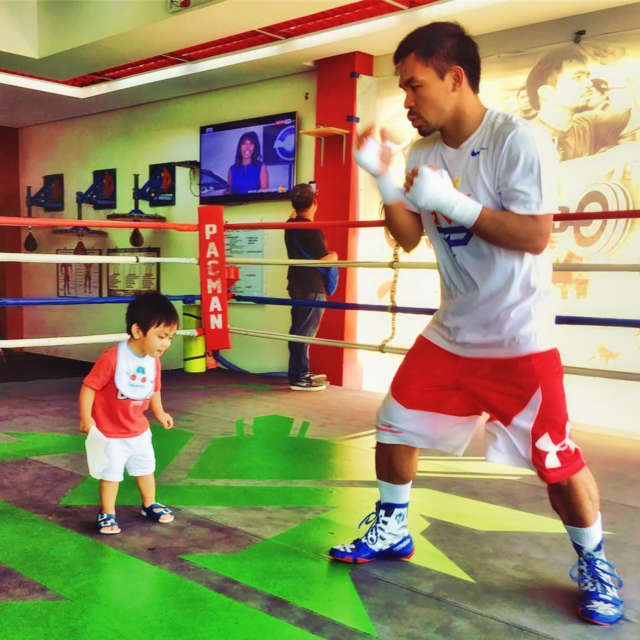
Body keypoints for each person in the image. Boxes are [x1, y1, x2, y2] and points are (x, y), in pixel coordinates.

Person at [329, 22, 624, 627]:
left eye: (415, 86)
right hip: (452, 331)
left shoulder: (520, 141)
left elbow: (535, 235)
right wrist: (385, 182)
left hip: (517, 336)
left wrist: (457, 204)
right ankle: (392, 527)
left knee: (556, 458)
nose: (407, 101)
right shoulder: (422, 152)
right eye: (403, 90)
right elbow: (409, 238)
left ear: (454, 77)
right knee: (393, 423)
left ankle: (594, 561)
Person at [78, 292, 179, 535]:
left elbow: (154, 388)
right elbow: (89, 387)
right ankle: (107, 513)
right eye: (161, 336)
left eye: (171, 338)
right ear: (137, 331)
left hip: (138, 430)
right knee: (111, 474)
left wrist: (160, 412)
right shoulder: (112, 358)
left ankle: (149, 504)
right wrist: (85, 418)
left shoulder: (152, 360)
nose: (166, 343)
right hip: (110, 432)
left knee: (146, 468)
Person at [525, 45, 631, 161]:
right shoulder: (524, 138)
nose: (589, 83)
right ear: (546, 93)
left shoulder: (588, 122)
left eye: (587, 77)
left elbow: (633, 115)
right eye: (578, 77)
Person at [284, 183, 336, 391]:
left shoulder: (289, 225)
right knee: (304, 331)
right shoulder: (313, 231)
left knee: (299, 328)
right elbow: (323, 260)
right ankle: (299, 376)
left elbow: (293, 214)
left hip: (296, 283)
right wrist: (335, 256)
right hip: (311, 286)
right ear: (315, 203)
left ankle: (300, 372)